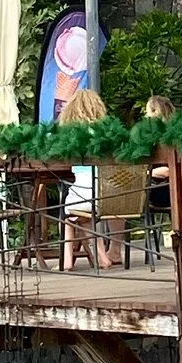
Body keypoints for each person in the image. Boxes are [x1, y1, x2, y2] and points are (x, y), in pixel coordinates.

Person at [59, 86, 119, 270]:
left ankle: (67, 260)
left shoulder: (72, 136)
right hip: (108, 195)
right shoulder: (106, 134)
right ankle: (102, 257)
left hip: (84, 191)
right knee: (86, 217)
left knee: (69, 217)